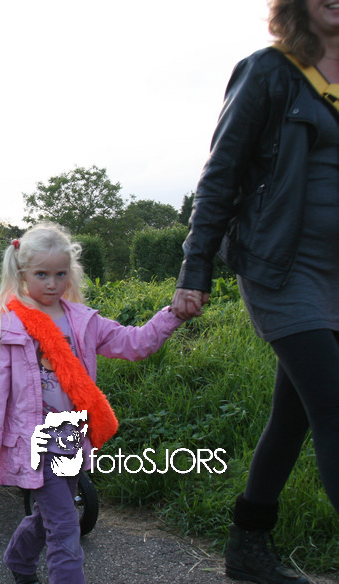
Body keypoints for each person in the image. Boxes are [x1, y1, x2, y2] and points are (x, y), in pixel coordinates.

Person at [172, 2, 339, 582]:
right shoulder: (270, 71)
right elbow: (221, 173)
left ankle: (247, 545)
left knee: (295, 414)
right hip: (283, 268)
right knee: (334, 405)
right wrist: (195, 269)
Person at [0, 223, 186, 584]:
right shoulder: (9, 328)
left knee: (52, 514)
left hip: (71, 438)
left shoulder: (84, 322)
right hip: (36, 444)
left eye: (60, 274)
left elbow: (135, 343)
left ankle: (19, 558)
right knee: (65, 524)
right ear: (22, 273)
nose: (52, 283)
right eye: (41, 274)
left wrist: (172, 315)